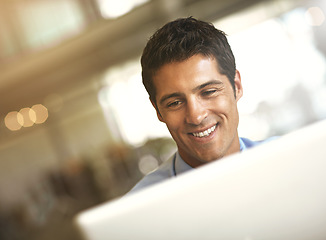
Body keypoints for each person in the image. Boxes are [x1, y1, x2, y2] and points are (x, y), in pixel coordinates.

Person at [129, 17, 273, 193]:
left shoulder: (292, 160)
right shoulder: (140, 206)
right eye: (175, 103)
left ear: (236, 86)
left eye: (208, 92)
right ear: (158, 111)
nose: (196, 116)